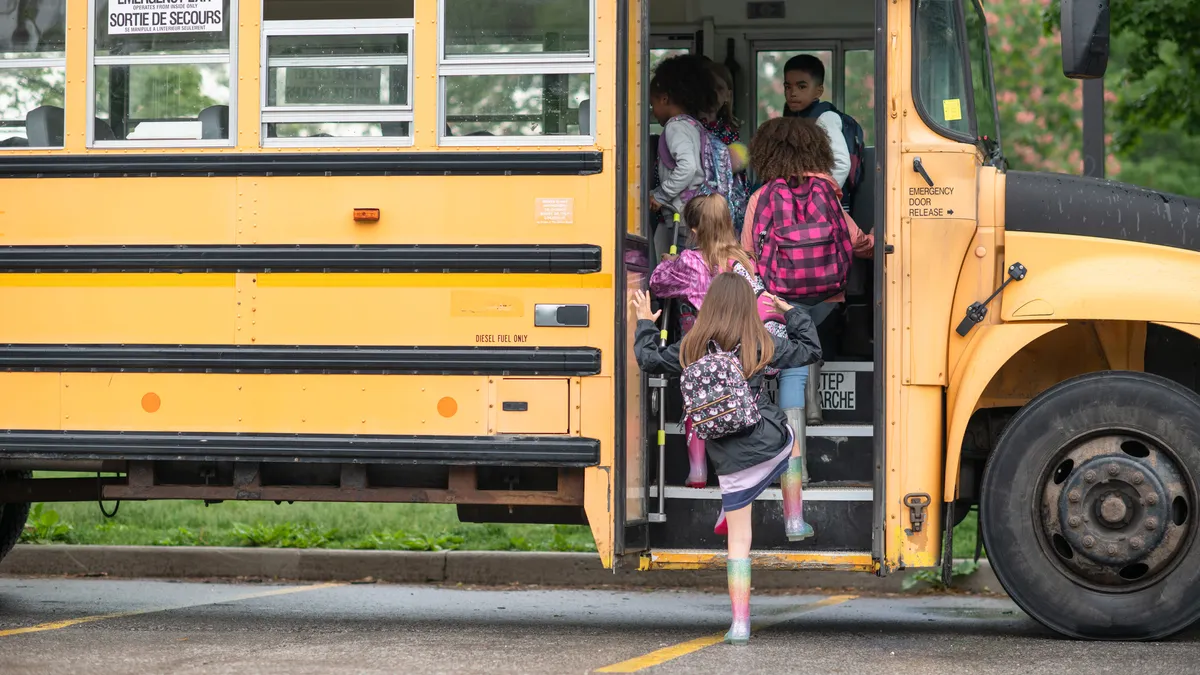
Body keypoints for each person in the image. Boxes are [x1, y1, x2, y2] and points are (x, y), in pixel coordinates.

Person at [631, 275, 821, 645]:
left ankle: (740, 625)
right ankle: (795, 519)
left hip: (728, 458)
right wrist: (791, 311)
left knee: (739, 542)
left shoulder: (692, 347)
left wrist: (644, 324)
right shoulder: (759, 342)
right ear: (747, 307)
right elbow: (809, 350)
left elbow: (649, 360)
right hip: (768, 440)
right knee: (793, 440)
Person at [742, 117, 873, 461]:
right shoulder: (827, 192)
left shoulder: (762, 197)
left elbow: (748, 253)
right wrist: (878, 243)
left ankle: (793, 465)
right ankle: (813, 410)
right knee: (810, 338)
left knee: (792, 368)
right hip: (826, 296)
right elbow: (855, 240)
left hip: (780, 297)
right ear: (817, 149)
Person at [649, 194, 786, 489]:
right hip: (742, 347)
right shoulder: (744, 261)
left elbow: (658, 283)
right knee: (741, 401)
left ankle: (698, 472)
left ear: (694, 230)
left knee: (698, 401)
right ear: (727, 222)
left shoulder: (689, 262)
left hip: (702, 347)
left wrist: (667, 262)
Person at [648, 54, 720, 261]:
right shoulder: (694, 125)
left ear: (665, 99)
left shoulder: (675, 127)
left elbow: (687, 167)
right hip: (698, 211)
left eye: (653, 104)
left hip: (684, 215)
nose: (653, 112)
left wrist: (661, 195)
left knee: (682, 266)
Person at [781, 55, 851, 193]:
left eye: (801, 87)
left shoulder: (825, 118)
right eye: (788, 87)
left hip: (822, 204)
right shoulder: (795, 118)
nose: (792, 93)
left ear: (819, 91)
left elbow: (841, 164)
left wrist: (822, 197)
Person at [698, 60, 750, 235]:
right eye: (706, 88)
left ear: (728, 95)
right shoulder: (690, 127)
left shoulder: (729, 131)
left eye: (718, 89)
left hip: (727, 210)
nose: (712, 95)